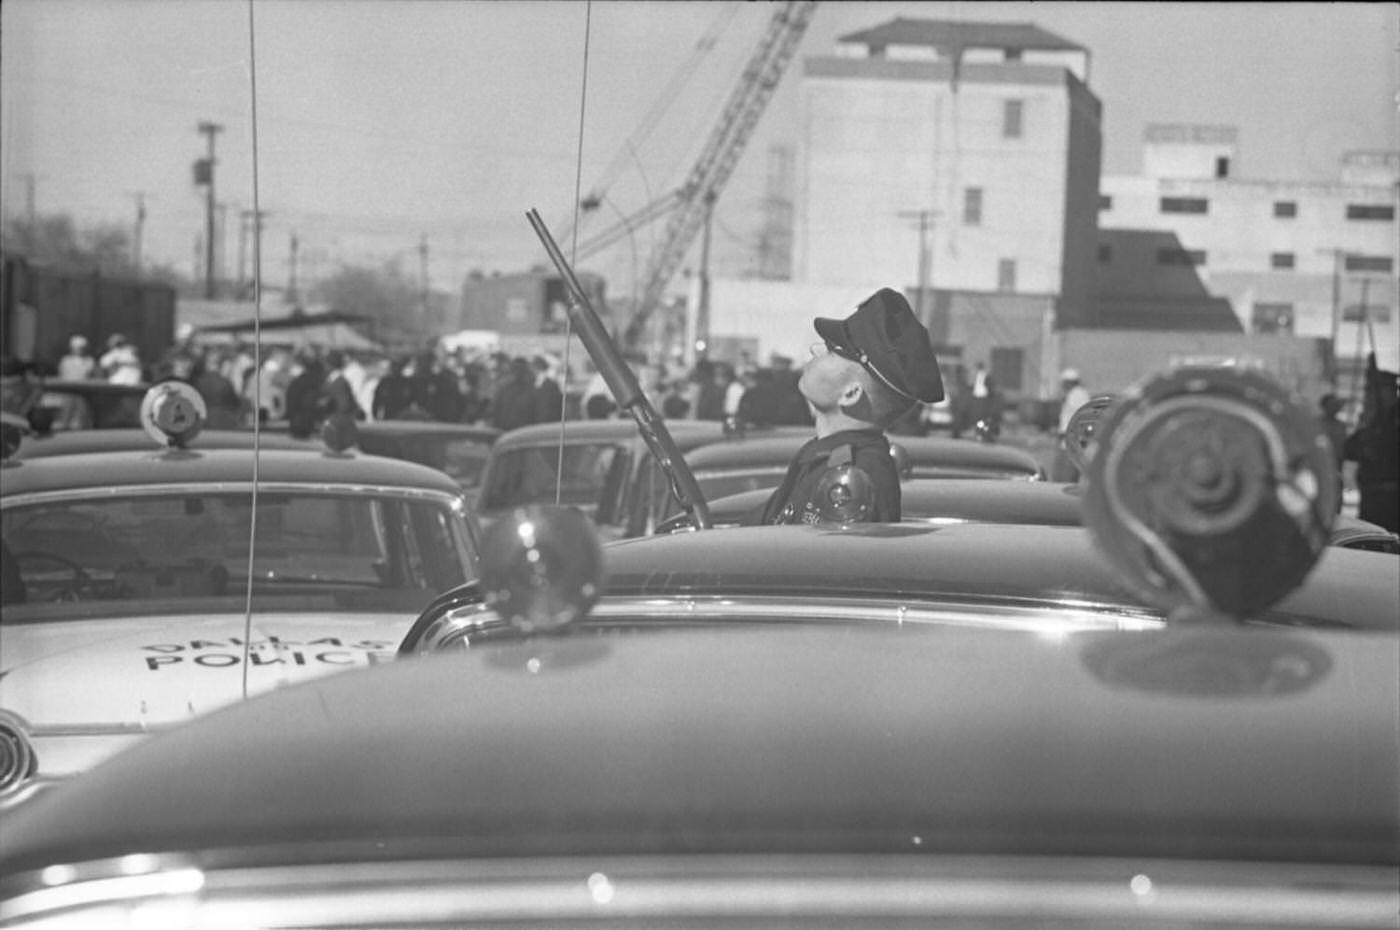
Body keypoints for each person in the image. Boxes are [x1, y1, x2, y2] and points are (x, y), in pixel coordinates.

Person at [742, 287, 943, 525]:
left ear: (851, 393)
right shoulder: (827, 458)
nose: (814, 354)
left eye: (830, 351)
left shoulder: (854, 479)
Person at [1051, 368, 1092, 482]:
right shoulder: (1074, 394)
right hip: (1068, 440)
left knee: (1065, 476)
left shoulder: (1077, 394)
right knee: (1060, 474)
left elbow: (1080, 418)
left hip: (1071, 440)